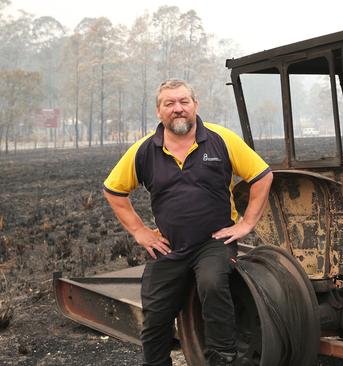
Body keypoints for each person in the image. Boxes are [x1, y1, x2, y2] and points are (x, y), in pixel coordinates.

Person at [102, 79, 273, 366]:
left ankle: (222, 360)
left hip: (214, 242)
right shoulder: (144, 151)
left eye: (184, 102)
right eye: (169, 103)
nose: (177, 109)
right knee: (155, 312)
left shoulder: (221, 139)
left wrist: (245, 224)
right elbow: (113, 191)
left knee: (212, 285)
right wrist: (141, 232)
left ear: (195, 105)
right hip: (170, 246)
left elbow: (262, 176)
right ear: (159, 111)